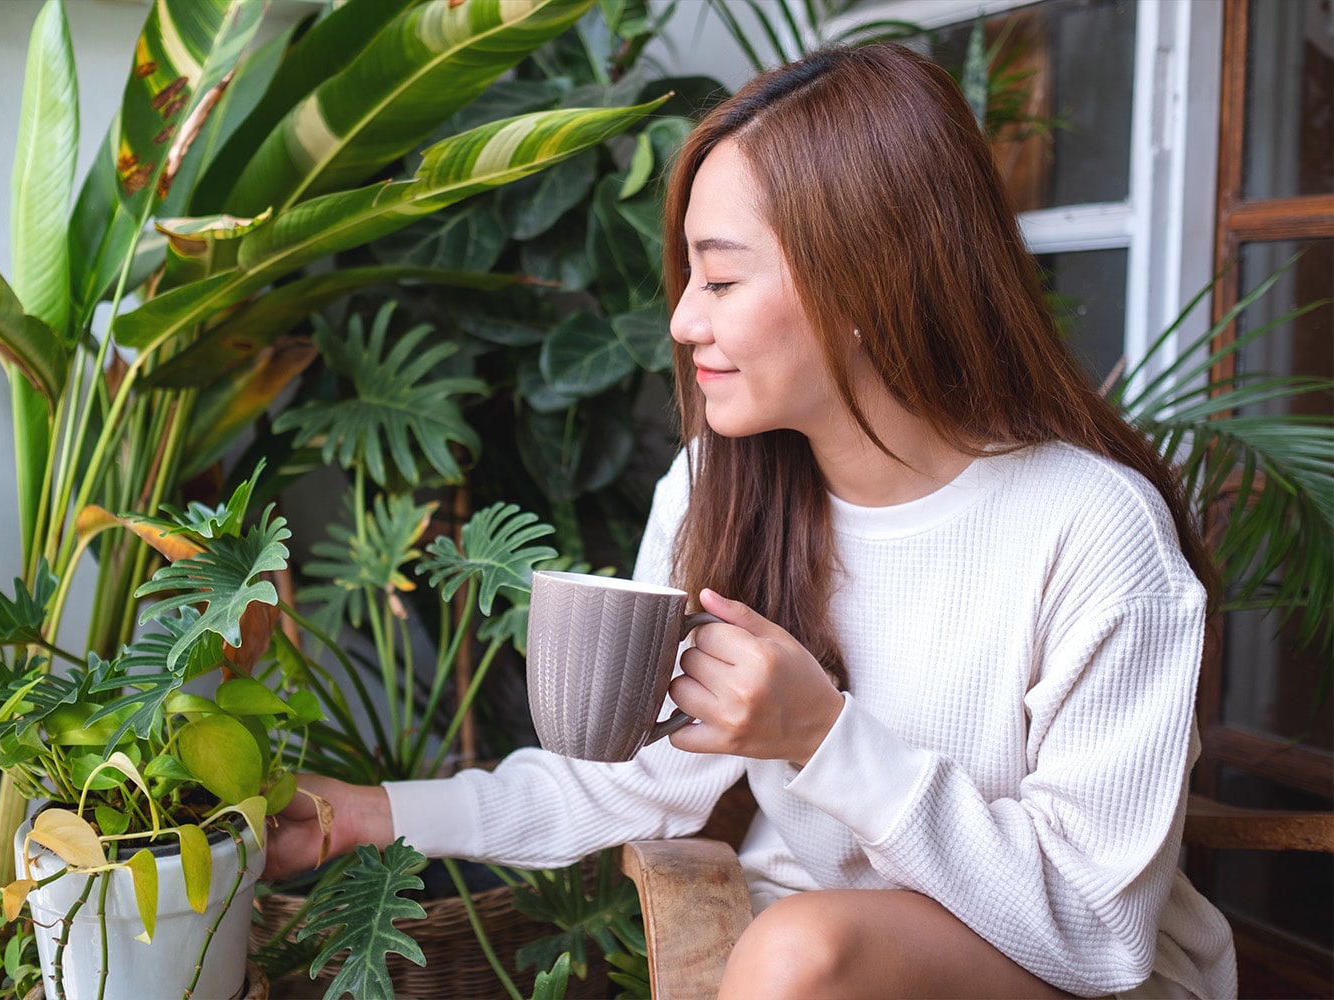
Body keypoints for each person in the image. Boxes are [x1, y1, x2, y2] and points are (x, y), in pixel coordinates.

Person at [264, 43, 1236, 999]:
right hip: (803, 970)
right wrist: (368, 813)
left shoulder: (1092, 527)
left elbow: (1101, 932)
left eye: (721, 281)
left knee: (800, 949)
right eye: (689, 278)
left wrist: (822, 733)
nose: (684, 320)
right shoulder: (717, 487)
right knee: (798, 948)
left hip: (1064, 975)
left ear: (868, 280)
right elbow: (633, 779)